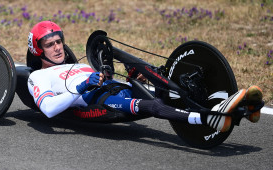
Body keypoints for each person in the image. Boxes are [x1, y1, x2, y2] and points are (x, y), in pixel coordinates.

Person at [27, 21, 263, 132]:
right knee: (153, 106)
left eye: (59, 42)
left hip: (116, 88)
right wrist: (82, 86)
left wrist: (134, 77)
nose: (57, 48)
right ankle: (209, 118)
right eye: (50, 44)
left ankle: (238, 106)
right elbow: (48, 108)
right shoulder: (38, 77)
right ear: (39, 50)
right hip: (99, 101)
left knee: (166, 88)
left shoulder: (77, 65)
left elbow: (108, 79)